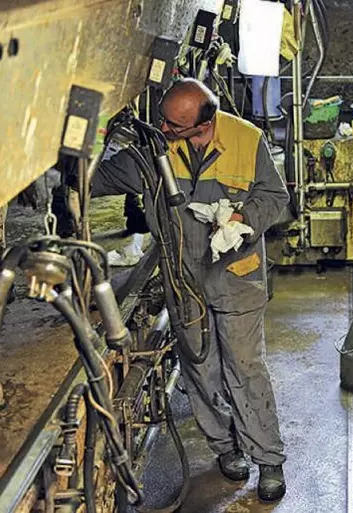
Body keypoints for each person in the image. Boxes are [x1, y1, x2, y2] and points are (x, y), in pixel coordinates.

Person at [91, 78, 289, 501]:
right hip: (183, 281)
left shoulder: (246, 140)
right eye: (163, 121)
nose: (163, 130)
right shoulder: (156, 148)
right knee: (201, 370)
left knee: (246, 368)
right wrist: (83, 150)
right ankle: (227, 448)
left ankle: (268, 458)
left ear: (205, 121)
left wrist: (243, 220)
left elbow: (276, 195)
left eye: (173, 126)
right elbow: (100, 178)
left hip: (236, 276)